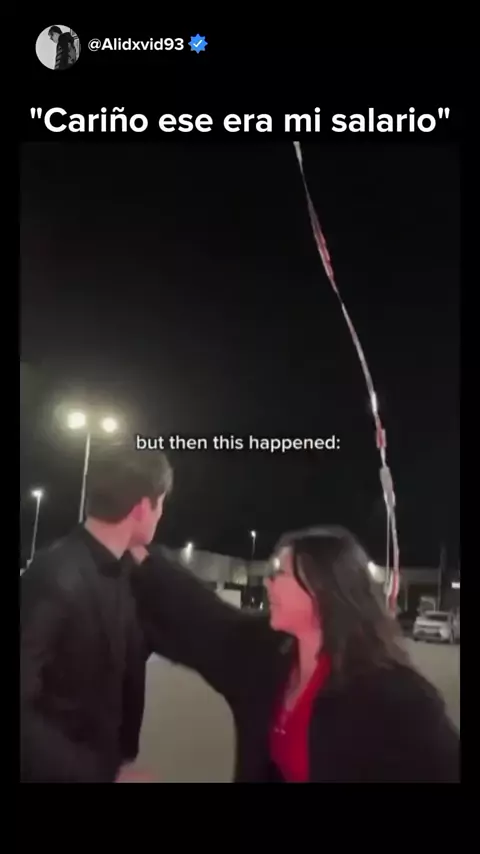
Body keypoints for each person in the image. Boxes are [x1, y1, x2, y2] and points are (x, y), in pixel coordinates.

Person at [132, 526, 459, 782]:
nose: (268, 583)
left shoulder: (396, 696)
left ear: (321, 589)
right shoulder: (268, 656)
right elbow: (208, 617)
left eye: (280, 574)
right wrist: (144, 558)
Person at [20, 442, 172, 783]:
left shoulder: (126, 574)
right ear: (142, 508)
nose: (161, 515)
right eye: (161, 504)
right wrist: (102, 775)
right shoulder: (55, 575)